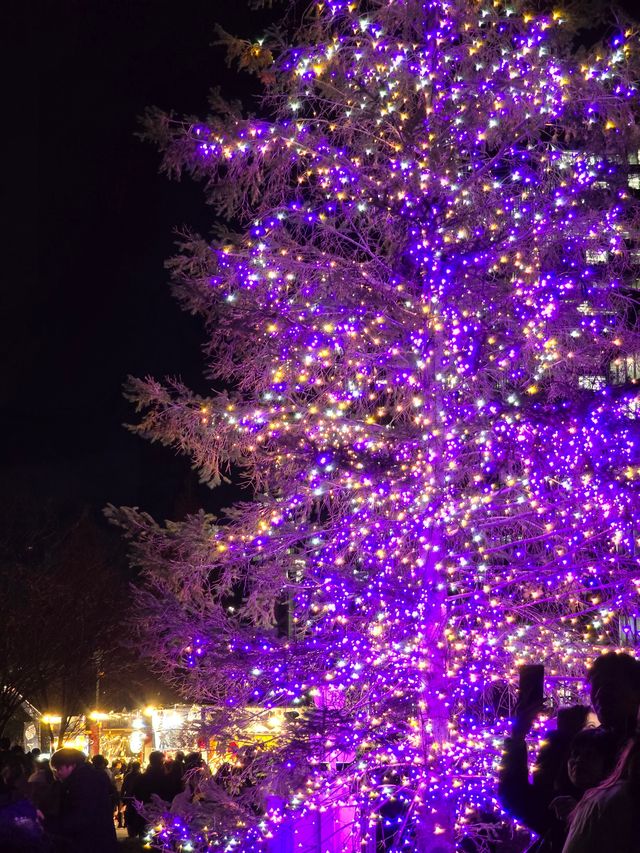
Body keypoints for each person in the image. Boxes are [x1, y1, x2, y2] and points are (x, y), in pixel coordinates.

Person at [562, 733, 640, 853]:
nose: (578, 761)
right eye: (575, 754)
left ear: (609, 764)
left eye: (590, 755)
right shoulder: (566, 801)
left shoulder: (612, 800)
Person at [49, 747, 117, 853]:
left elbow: (80, 816)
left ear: (71, 765)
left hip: (88, 842)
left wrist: (53, 826)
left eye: (58, 769)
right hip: (100, 840)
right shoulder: (92, 776)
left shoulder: (81, 783)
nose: (57, 773)